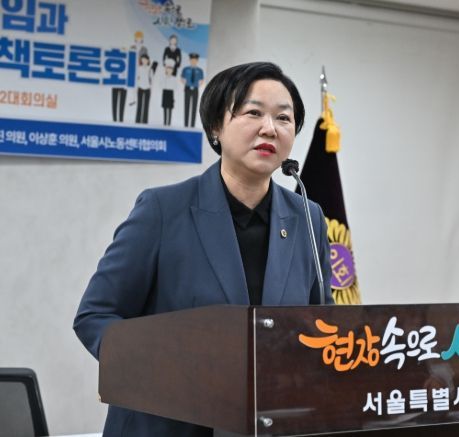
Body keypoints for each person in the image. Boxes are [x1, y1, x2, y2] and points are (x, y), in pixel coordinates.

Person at [73, 61, 334, 437]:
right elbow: (96, 315)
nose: (269, 128)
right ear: (216, 126)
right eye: (253, 113)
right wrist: (161, 370)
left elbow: (323, 325)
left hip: (268, 424)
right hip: (167, 424)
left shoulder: (308, 217)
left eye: (284, 118)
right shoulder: (163, 210)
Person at [181, 52, 204, 127]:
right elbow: (182, 78)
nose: (193, 61)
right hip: (187, 88)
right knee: (186, 106)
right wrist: (186, 84)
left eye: (195, 60)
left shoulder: (200, 70)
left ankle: (192, 125)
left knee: (194, 107)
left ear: (197, 61)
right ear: (190, 60)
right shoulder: (186, 69)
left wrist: (197, 85)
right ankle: (186, 125)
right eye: (192, 60)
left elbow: (201, 80)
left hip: (195, 89)